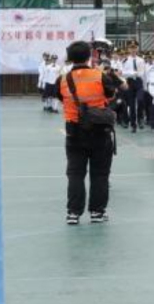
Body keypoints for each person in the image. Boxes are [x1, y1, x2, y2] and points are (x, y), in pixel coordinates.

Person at [55, 41, 124, 225]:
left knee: (75, 173)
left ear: (70, 58)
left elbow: (61, 98)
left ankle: (73, 213)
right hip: (100, 131)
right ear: (89, 56)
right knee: (100, 173)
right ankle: (97, 212)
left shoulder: (62, 79)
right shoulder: (99, 75)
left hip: (74, 131)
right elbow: (112, 95)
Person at [120, 41, 146, 132]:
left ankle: (140, 118)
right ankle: (133, 125)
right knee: (131, 105)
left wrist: (145, 86)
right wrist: (133, 73)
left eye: (134, 48)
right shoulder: (125, 60)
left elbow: (142, 73)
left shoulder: (141, 60)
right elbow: (123, 73)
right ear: (128, 49)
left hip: (139, 82)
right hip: (130, 83)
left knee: (140, 99)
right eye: (131, 48)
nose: (133, 50)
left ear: (137, 49)